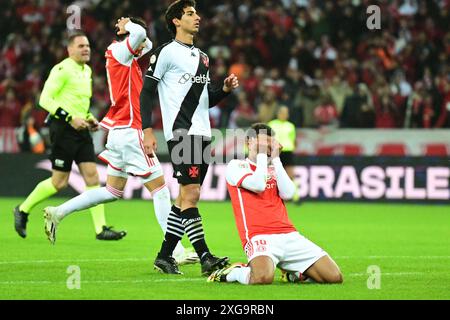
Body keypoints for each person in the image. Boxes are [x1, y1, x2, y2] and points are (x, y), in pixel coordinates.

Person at [43, 17, 198, 265]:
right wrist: (128, 26)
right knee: (160, 190)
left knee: (112, 191)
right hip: (130, 130)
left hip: (119, 132)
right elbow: (139, 36)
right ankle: (177, 250)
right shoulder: (119, 51)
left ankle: (58, 212)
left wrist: (136, 31)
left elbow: (145, 42)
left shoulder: (127, 56)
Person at [139, 0, 239, 275]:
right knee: (192, 195)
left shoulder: (204, 58)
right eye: (190, 14)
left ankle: (164, 256)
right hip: (182, 133)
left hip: (203, 133)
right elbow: (146, 92)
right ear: (176, 21)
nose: (197, 17)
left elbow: (204, 101)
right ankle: (205, 256)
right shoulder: (165, 54)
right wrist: (147, 129)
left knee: (184, 198)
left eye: (196, 13)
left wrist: (225, 90)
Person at [13, 31, 126, 241]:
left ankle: (101, 228)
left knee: (92, 176)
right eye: (81, 46)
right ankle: (22, 209)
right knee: (59, 182)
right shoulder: (62, 69)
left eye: (88, 46)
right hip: (63, 129)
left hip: (80, 129)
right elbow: (45, 100)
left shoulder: (87, 70)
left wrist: (89, 118)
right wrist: (70, 118)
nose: (86, 49)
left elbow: (79, 103)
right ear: (70, 49)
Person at [207, 123, 343, 285]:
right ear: (249, 142)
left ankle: (293, 274)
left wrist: (277, 159)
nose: (266, 147)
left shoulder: (274, 167)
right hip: (259, 235)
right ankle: (233, 272)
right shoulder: (236, 166)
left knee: (334, 277)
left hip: (288, 234)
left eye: (269, 143)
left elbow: (289, 193)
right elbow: (258, 185)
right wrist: (263, 156)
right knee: (262, 278)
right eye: (262, 143)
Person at [267, 106, 296, 181]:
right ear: (278, 113)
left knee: (290, 173)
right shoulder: (271, 124)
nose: (284, 114)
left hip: (287, 151)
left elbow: (293, 140)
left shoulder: (291, 126)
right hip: (275, 151)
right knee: (273, 173)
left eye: (286, 113)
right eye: (282, 113)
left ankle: (291, 190)